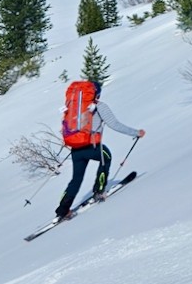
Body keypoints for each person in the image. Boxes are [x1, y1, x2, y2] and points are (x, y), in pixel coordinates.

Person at [55, 81, 145, 220]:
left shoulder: (75, 108)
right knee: (106, 156)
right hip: (92, 147)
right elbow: (115, 124)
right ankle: (99, 191)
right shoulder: (99, 106)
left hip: (76, 149)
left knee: (76, 179)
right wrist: (136, 132)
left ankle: (63, 209)